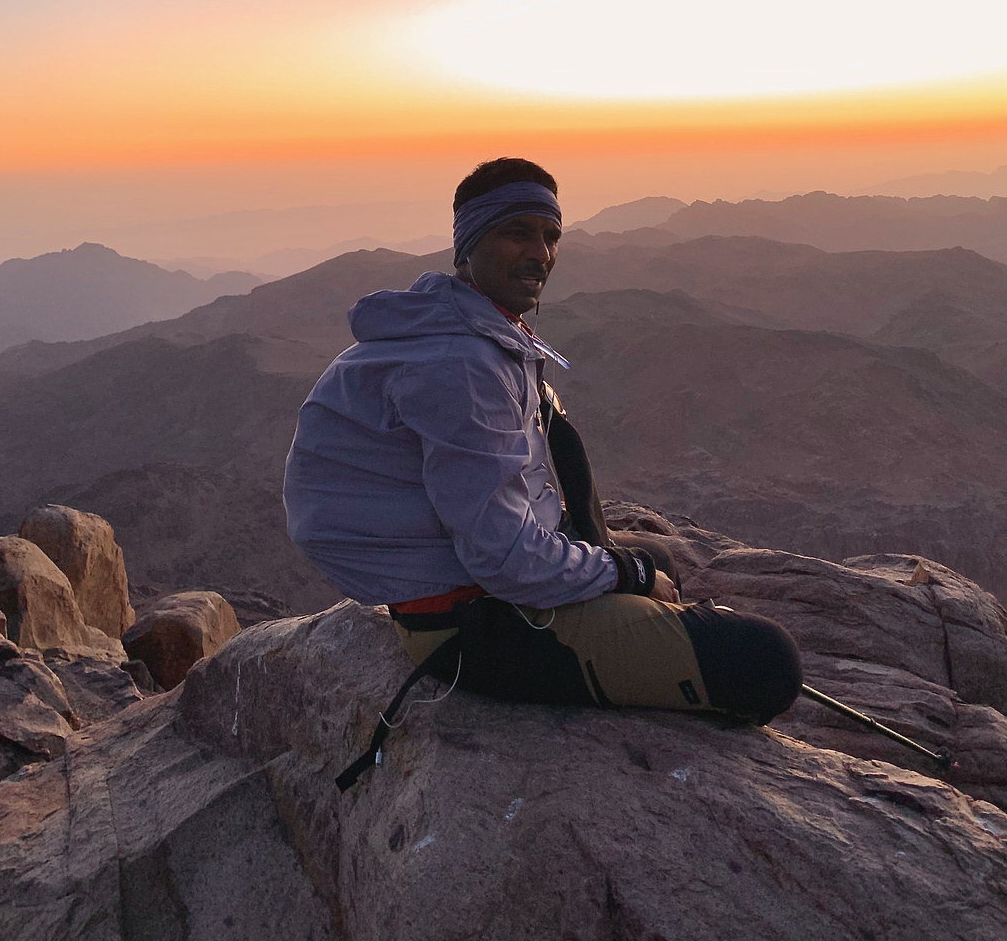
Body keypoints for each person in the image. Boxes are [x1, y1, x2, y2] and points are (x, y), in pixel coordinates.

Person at [283, 157, 801, 757]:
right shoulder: (459, 367)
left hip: (469, 578)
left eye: (550, 236)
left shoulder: (472, 329)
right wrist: (625, 575)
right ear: (469, 244)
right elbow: (505, 558)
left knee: (655, 557)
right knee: (768, 661)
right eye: (516, 232)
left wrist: (622, 566)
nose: (540, 253)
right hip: (470, 623)